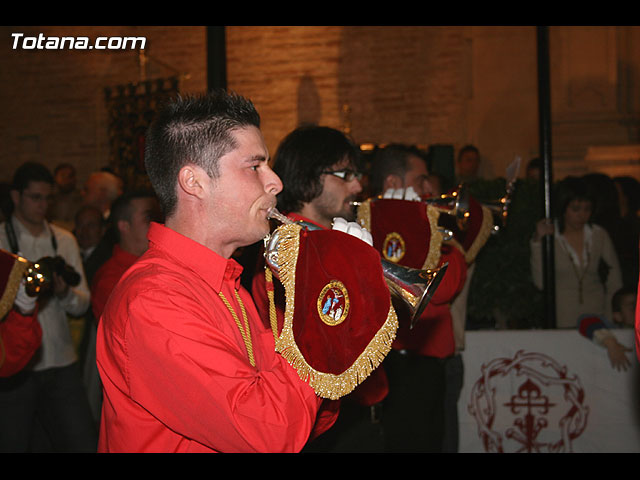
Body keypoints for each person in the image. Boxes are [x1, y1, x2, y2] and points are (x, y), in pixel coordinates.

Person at [96, 91, 340, 453]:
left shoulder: (225, 281)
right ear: (194, 182)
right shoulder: (154, 301)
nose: (275, 182)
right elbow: (270, 431)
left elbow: (301, 415)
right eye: (255, 166)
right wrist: (329, 308)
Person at [250, 125, 384, 452]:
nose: (357, 186)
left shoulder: (331, 243)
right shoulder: (289, 250)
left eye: (357, 175)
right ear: (308, 177)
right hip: (322, 427)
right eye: (345, 174)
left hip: (353, 415)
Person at [368, 143, 468, 453]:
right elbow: (442, 287)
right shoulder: (371, 224)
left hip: (425, 358)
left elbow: (446, 284)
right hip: (405, 360)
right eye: (420, 179)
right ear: (393, 183)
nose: (427, 188)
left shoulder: (423, 224)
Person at [0, 162, 97, 452]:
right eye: (35, 197)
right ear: (16, 196)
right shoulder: (1, 241)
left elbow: (82, 304)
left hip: (61, 360)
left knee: (84, 443)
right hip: (14, 369)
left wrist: (64, 291)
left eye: (47, 198)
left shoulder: (64, 239)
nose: (43, 205)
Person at [531, 176, 623, 328]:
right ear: (563, 208)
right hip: (562, 318)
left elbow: (615, 279)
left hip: (597, 315)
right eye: (575, 209)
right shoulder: (551, 236)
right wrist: (537, 243)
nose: (582, 215)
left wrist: (610, 315)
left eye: (587, 209)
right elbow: (541, 282)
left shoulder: (598, 235)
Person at [578, 287, 637, 371]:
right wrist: (610, 342)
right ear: (618, 316)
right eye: (633, 307)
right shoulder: (614, 330)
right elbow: (584, 320)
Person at [48, 163, 83, 231]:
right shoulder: (49, 199)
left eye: (70, 176)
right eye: (63, 176)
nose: (67, 180)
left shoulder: (82, 198)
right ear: (55, 178)